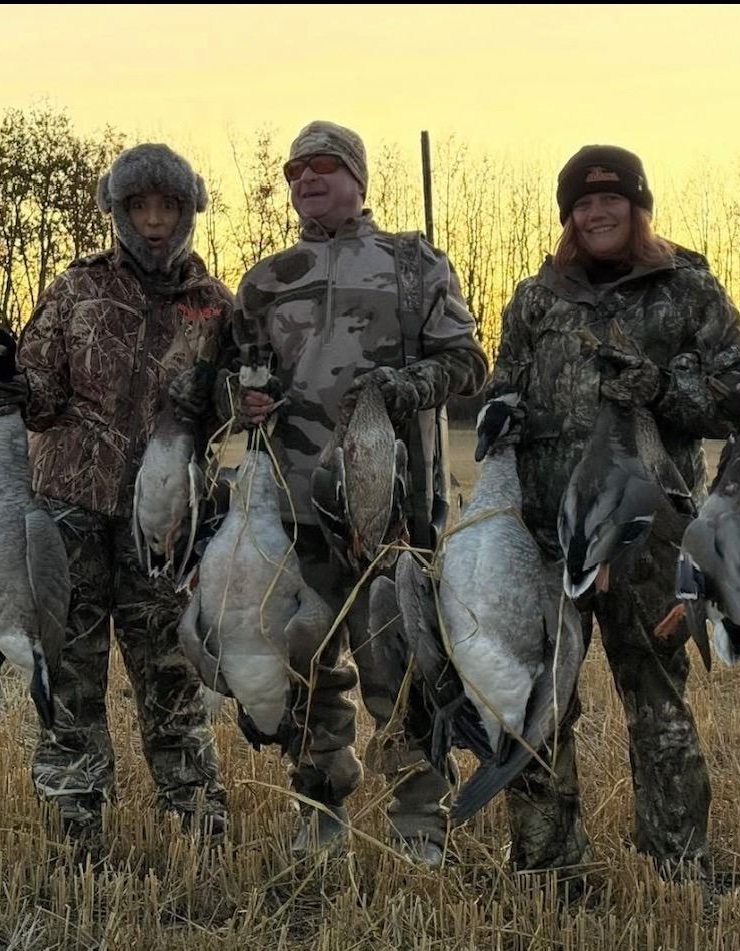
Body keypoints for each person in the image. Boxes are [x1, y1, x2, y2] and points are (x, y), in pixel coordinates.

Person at [486, 144, 740, 878]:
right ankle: (549, 865)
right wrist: (501, 410)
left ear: (639, 207)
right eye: (582, 203)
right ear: (568, 216)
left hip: (649, 537)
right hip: (547, 536)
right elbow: (504, 381)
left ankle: (678, 865)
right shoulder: (536, 299)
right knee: (538, 699)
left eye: (611, 200)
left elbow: (738, 396)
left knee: (657, 699)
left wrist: (661, 388)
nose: (596, 213)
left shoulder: (689, 290)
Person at [229, 120, 488, 859]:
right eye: (295, 171)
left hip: (394, 509)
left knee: (399, 665)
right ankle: (322, 806)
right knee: (304, 662)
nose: (307, 179)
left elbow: (469, 364)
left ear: (357, 177)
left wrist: (405, 386)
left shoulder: (414, 263)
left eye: (324, 165)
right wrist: (242, 398)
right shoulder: (266, 280)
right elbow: (230, 379)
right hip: (295, 509)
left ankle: (419, 821)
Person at [0, 143, 234, 857]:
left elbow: (227, 411)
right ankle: (78, 818)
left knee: (172, 673)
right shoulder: (77, 287)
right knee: (69, 669)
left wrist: (241, 400)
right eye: (140, 206)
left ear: (189, 210)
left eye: (169, 206)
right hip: (67, 507)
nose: (155, 221)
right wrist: (13, 386)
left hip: (163, 520)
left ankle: (197, 816)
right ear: (119, 211)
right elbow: (41, 393)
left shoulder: (214, 305)